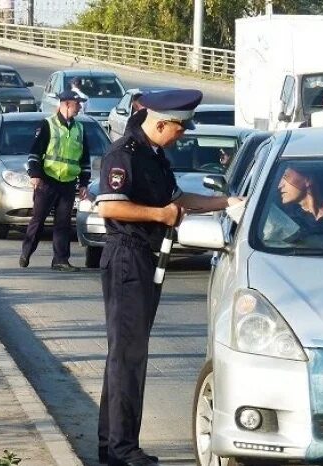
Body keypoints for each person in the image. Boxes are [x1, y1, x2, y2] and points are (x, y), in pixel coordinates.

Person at [95, 89, 244, 466]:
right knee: (129, 357)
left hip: (145, 259)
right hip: (128, 258)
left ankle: (111, 444)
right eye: (179, 129)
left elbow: (179, 199)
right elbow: (111, 205)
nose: (181, 136)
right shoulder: (123, 155)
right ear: (161, 124)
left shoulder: (154, 154)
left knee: (125, 355)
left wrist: (226, 203)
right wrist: (160, 216)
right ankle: (123, 450)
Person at [20, 91, 92, 272]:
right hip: (47, 181)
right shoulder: (47, 124)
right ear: (67, 104)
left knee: (63, 223)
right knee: (38, 220)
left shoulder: (80, 129)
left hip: (68, 183)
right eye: (78, 103)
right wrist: (35, 174)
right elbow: (34, 153)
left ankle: (60, 260)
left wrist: (83, 183)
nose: (80, 107)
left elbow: (84, 160)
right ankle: (26, 252)